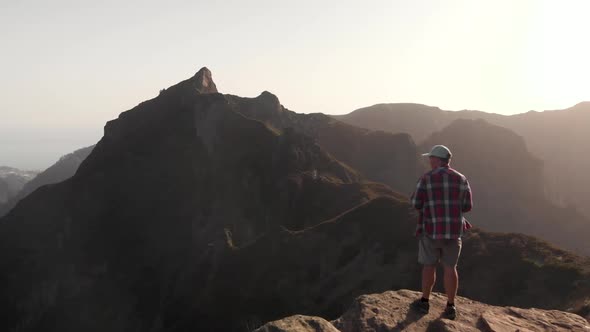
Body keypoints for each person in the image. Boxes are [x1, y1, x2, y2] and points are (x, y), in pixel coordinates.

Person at [409, 145, 473, 320]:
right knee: (450, 268)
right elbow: (467, 206)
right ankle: (451, 306)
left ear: (437, 159)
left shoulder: (426, 178)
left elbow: (416, 203)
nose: (429, 161)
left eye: (431, 158)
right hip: (454, 232)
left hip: (431, 229)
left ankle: (424, 302)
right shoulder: (461, 179)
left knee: (429, 265)